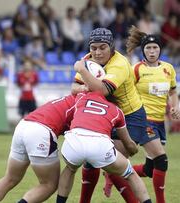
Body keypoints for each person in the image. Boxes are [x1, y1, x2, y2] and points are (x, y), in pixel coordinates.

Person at [71, 27, 153, 203]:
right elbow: (73, 89)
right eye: (93, 48)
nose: (97, 52)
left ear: (112, 47)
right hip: (107, 118)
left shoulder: (119, 64)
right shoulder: (88, 60)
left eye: (102, 47)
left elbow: (102, 90)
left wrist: (82, 70)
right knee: (96, 162)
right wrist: (85, 86)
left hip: (131, 117)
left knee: (110, 162)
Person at [57, 91, 152, 203]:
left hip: (74, 141)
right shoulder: (117, 111)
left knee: (70, 169)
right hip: (99, 144)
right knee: (130, 174)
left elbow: (75, 89)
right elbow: (128, 144)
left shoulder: (82, 97)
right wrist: (134, 149)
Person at [0, 94, 77, 203]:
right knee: (49, 184)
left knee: (10, 178)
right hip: (41, 131)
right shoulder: (85, 102)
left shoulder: (72, 97)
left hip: (24, 125)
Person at [125, 25, 180, 203]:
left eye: (155, 47)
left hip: (159, 122)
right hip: (143, 120)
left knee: (150, 169)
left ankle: (116, 173)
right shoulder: (136, 69)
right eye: (148, 48)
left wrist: (175, 106)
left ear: (160, 50)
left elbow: (172, 92)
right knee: (162, 160)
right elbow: (125, 92)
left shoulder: (168, 69)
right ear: (143, 51)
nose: (152, 51)